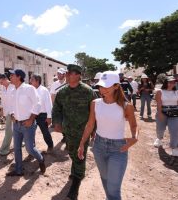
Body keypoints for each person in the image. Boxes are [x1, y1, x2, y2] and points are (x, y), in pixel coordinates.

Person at [78, 71, 138, 200]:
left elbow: (134, 125)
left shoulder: (126, 106)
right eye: (100, 86)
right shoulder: (95, 103)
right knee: (105, 179)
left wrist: (135, 138)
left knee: (113, 189)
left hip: (118, 149)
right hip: (99, 146)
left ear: (116, 86)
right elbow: (90, 124)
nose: (102, 89)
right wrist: (82, 143)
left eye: (106, 86)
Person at [52, 64, 95, 200]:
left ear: (78, 75)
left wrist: (94, 130)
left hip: (83, 131)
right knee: (71, 152)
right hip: (68, 131)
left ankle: (76, 182)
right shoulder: (62, 92)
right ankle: (75, 170)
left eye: (70, 73)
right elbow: (56, 109)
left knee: (79, 155)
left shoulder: (88, 91)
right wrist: (57, 122)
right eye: (67, 73)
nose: (67, 75)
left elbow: (95, 113)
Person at [6, 69, 46, 176]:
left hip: (28, 124)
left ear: (19, 77)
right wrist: (12, 114)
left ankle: (41, 159)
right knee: (17, 148)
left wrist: (31, 119)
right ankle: (18, 170)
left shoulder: (29, 89)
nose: (10, 77)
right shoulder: (13, 91)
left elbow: (37, 104)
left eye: (12, 75)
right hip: (17, 124)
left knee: (29, 148)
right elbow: (11, 106)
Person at [154, 76, 178, 164]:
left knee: (174, 131)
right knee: (160, 129)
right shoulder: (160, 92)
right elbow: (159, 103)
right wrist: (159, 113)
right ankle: (159, 138)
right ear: (166, 83)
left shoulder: (176, 92)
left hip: (174, 112)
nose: (172, 83)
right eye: (170, 82)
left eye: (173, 82)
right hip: (163, 111)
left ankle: (174, 148)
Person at [30, 74, 54, 153]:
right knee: (31, 132)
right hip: (33, 114)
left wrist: (49, 117)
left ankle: (50, 146)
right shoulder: (31, 89)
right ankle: (32, 148)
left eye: (32, 79)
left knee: (45, 131)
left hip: (42, 115)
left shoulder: (44, 90)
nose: (30, 81)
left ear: (37, 81)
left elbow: (48, 104)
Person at [0, 73, 15, 155]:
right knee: (10, 129)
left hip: (15, 112)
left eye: (1, 82)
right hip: (7, 111)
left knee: (11, 130)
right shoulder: (3, 87)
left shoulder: (14, 86)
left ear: (5, 79)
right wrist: (1, 108)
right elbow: (2, 99)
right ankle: (5, 149)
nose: (0, 84)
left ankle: (4, 149)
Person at [50, 67, 67, 143]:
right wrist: (53, 107)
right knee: (60, 122)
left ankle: (67, 136)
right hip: (58, 107)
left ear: (64, 74)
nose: (58, 75)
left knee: (67, 122)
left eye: (60, 73)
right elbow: (52, 95)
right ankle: (65, 135)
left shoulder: (68, 83)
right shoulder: (54, 84)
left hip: (67, 106)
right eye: (58, 73)